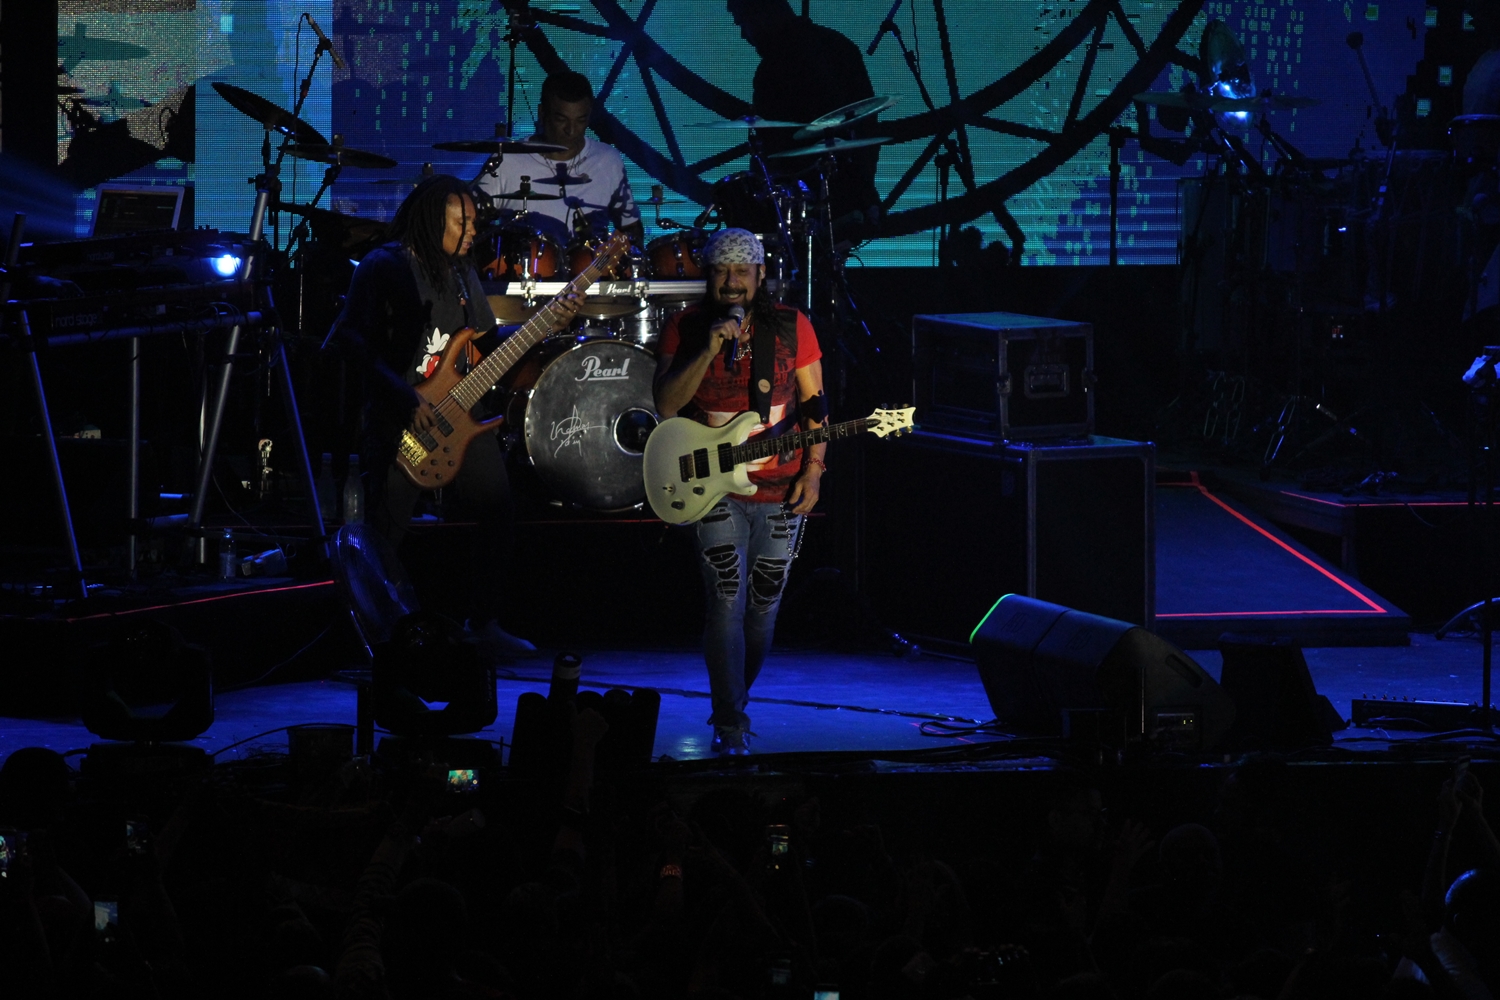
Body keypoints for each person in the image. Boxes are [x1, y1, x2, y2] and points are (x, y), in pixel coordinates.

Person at [325, 174, 581, 656]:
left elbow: (483, 347)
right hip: (402, 417)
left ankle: (483, 622)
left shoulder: (462, 272)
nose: (472, 231)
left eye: (473, 222)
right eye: (461, 222)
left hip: (460, 413)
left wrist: (544, 326)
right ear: (430, 220)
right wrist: (405, 397)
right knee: (386, 533)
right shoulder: (384, 266)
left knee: (498, 510)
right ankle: (374, 638)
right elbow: (350, 341)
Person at [653, 228, 827, 756]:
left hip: (781, 487)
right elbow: (666, 404)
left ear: (760, 275)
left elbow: (815, 405)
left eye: (742, 271)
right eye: (721, 271)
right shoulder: (684, 326)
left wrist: (814, 470)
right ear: (708, 275)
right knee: (725, 601)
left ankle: (733, 700)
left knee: (762, 610)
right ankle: (730, 723)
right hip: (713, 489)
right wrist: (708, 348)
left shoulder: (792, 326)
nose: (732, 282)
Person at [725, 0, 882, 226]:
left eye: (743, 24)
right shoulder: (840, 46)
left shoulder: (772, 70)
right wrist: (865, 189)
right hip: (851, 196)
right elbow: (867, 124)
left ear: (761, 17)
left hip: (808, 204)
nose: (743, 35)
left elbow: (772, 149)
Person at [477, 70, 645, 249]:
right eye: (561, 120)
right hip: (526, 264)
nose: (571, 130)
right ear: (542, 113)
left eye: (580, 120)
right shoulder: (507, 160)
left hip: (593, 266)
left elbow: (631, 229)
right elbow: (474, 223)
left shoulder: (607, 160)